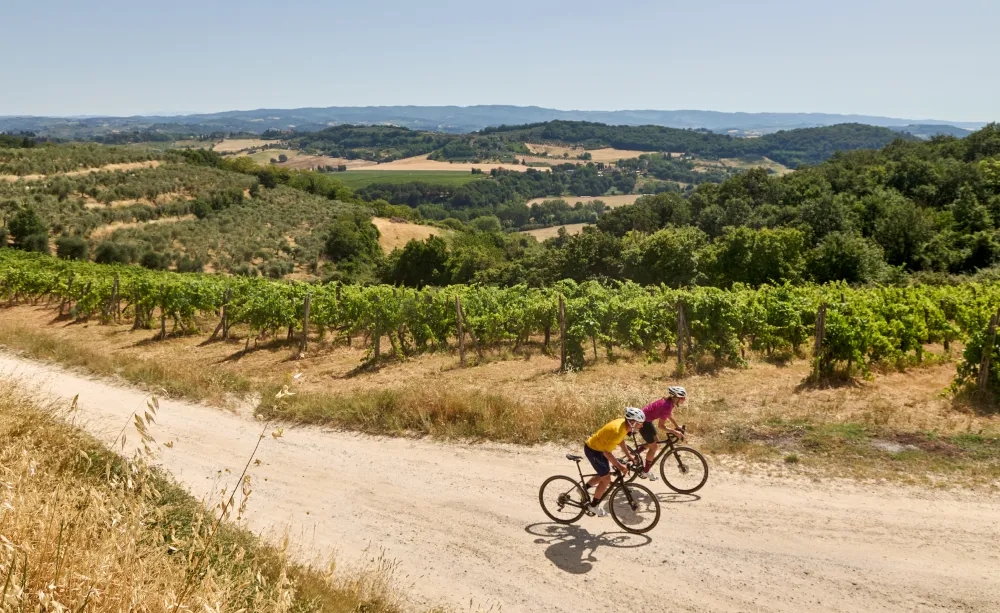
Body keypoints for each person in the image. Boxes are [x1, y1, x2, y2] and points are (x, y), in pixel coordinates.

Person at [582, 407, 645, 517]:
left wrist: (629, 455)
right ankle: (593, 506)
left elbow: (621, 441)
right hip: (593, 450)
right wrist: (620, 466)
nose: (642, 426)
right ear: (632, 422)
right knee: (606, 479)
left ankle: (583, 489)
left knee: (603, 474)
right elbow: (606, 453)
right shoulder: (617, 431)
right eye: (640, 423)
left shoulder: (624, 425)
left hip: (600, 449)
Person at [636, 386, 687, 480]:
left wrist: (676, 426)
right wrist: (674, 431)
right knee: (654, 447)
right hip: (642, 422)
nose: (684, 400)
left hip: (646, 420)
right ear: (676, 397)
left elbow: (669, 415)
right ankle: (645, 471)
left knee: (656, 442)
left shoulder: (669, 403)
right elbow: (661, 426)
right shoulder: (667, 406)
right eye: (683, 398)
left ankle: (634, 454)